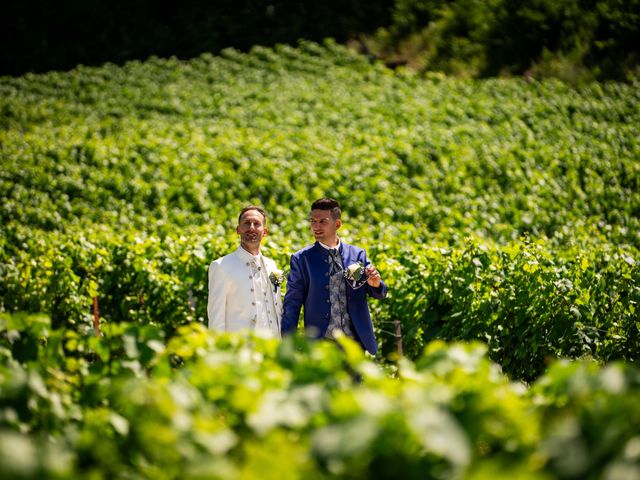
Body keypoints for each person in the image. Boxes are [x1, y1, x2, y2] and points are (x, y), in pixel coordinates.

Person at [281, 198, 387, 354]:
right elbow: (292, 304)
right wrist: (287, 344)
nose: (316, 226)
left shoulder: (358, 254)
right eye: (313, 221)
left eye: (323, 221)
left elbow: (378, 293)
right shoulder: (301, 259)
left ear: (337, 224)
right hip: (320, 346)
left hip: (355, 345)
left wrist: (376, 284)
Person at [207, 206, 283, 337]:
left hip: (272, 348)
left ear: (264, 231)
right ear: (238, 230)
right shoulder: (221, 266)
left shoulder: (272, 265)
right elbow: (216, 317)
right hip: (240, 350)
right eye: (247, 223)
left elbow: (277, 310)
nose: (251, 228)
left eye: (257, 224)